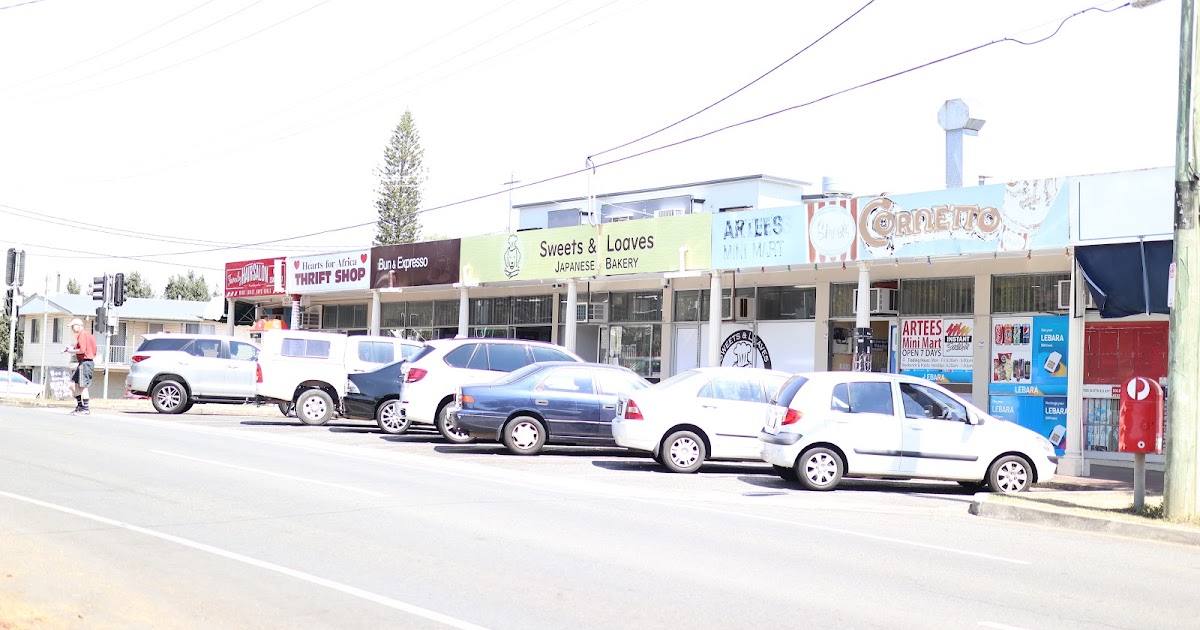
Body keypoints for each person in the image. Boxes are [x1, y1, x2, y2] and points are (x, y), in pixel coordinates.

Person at [64, 318, 97, 415]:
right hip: (84, 362)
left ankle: (85, 408)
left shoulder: (83, 335)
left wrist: (71, 351)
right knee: (73, 384)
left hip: (85, 362)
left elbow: (82, 350)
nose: (72, 329)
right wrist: (71, 348)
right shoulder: (88, 335)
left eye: (73, 326)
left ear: (79, 325)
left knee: (83, 386)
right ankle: (80, 406)